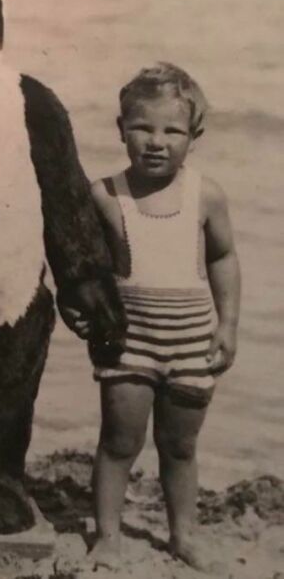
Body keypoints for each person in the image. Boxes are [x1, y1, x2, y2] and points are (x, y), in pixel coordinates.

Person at [81, 62, 241, 572]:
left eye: (172, 130)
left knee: (179, 445)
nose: (156, 141)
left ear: (195, 136)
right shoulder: (106, 195)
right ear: (120, 130)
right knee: (119, 442)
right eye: (142, 128)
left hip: (191, 341)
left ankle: (183, 534)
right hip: (129, 341)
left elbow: (222, 258)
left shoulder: (205, 194)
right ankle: (108, 536)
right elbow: (85, 268)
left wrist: (229, 324)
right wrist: (82, 312)